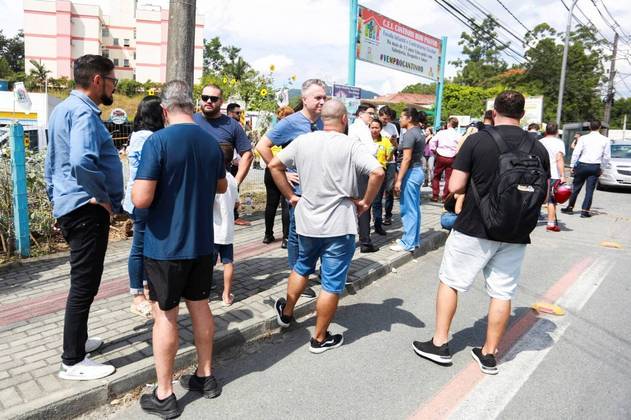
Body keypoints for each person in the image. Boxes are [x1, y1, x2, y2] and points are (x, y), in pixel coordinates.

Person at [412, 91, 550, 375]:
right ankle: (488, 354)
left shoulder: (478, 139)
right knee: (502, 292)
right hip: (515, 231)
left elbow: (456, 185)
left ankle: (440, 344)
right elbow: (544, 192)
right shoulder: (538, 148)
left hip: (475, 226)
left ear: (494, 110)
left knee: (451, 281)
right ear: (522, 115)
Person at [132, 80, 227, 417]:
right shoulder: (210, 142)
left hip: (165, 246)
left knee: (166, 317)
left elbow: (141, 198)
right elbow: (221, 185)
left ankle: (165, 393)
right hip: (202, 243)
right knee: (200, 307)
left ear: (164, 109)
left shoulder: (158, 141)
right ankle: (205, 375)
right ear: (192, 104)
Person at [268, 99, 384, 353]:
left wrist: (290, 195)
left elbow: (274, 165)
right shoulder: (351, 145)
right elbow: (377, 172)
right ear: (344, 120)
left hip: (307, 219)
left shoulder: (303, 141)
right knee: (331, 283)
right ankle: (319, 338)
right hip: (339, 224)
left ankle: (286, 313)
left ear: (322, 119)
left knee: (302, 266)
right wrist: (365, 202)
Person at [45, 54, 123, 380]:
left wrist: (56, 203)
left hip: (72, 205)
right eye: (112, 81)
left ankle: (79, 341)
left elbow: (52, 165)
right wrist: (104, 200)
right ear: (97, 81)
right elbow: (81, 161)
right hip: (86, 208)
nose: (114, 86)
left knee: (84, 283)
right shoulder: (83, 113)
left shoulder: (61, 109)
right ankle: (73, 361)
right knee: (84, 285)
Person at [256, 79, 327, 299]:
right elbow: (261, 146)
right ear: (304, 99)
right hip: (299, 191)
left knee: (320, 231)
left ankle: (318, 272)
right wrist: (282, 170)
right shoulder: (291, 122)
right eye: (317, 97)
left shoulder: (324, 123)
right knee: (297, 233)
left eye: (324, 97)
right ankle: (298, 279)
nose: (322, 101)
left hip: (321, 189)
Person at [123, 95, 164, 318]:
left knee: (147, 246)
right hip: (142, 200)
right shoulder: (145, 137)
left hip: (145, 199)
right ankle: (137, 295)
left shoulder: (142, 135)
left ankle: (147, 288)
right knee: (139, 247)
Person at [194, 85, 253, 226]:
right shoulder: (190, 120)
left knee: (221, 236)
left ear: (221, 101)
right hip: (192, 186)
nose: (208, 101)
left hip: (220, 188)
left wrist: (235, 183)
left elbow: (248, 155)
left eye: (213, 98)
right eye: (205, 98)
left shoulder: (232, 125)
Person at [390, 108, 426, 252]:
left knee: (408, 210)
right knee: (414, 209)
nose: (399, 119)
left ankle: (408, 243)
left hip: (410, 172)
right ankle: (413, 240)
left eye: (402, 117)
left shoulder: (410, 134)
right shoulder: (418, 131)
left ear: (409, 118)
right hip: (416, 171)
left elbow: (406, 158)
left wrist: (399, 180)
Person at [561, 120, 611, 218]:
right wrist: (602, 168)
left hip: (582, 165)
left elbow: (576, 152)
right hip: (595, 166)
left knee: (576, 187)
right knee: (589, 190)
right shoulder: (605, 140)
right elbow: (606, 157)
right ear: (600, 127)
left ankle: (570, 207)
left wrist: (572, 165)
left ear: (589, 127)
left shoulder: (583, 138)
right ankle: (585, 211)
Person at [349, 104, 380, 253]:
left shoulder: (352, 127)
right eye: (370, 113)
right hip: (361, 169)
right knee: (364, 204)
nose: (372, 117)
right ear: (361, 114)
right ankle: (365, 242)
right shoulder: (361, 128)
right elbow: (371, 149)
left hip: (350, 169)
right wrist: (377, 147)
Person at [214, 143, 240, 306]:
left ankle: (202, 291)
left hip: (212, 229)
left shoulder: (213, 179)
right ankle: (226, 294)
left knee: (207, 264)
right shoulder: (232, 180)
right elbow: (237, 203)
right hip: (228, 229)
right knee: (228, 262)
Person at [262, 106, 293, 246]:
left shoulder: (272, 131)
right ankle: (286, 238)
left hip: (269, 169)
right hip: (284, 169)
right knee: (286, 204)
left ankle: (268, 235)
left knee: (271, 204)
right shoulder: (290, 132)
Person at [369, 118, 395, 236]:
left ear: (380, 129)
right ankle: (363, 226)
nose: (374, 130)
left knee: (377, 200)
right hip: (366, 173)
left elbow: (389, 158)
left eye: (377, 128)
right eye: (372, 127)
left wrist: (391, 148)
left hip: (380, 173)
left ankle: (378, 225)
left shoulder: (385, 141)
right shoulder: (364, 140)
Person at [539, 122, 566, 231]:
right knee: (552, 200)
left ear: (546, 131)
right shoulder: (559, 143)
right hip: (553, 174)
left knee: (537, 197)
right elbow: (559, 159)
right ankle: (551, 224)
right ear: (556, 131)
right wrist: (562, 175)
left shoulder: (540, 142)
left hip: (540, 173)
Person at [430, 117, 460, 202]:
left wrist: (434, 150)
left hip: (441, 155)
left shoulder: (441, 133)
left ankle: (435, 195)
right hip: (452, 157)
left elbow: (432, 141)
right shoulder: (458, 135)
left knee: (436, 176)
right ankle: (445, 197)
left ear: (449, 124)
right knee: (448, 178)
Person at [378, 106, 399, 225]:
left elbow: (396, 144)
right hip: (377, 162)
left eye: (388, 119)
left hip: (390, 161)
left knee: (389, 189)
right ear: (379, 115)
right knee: (377, 191)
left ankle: (388, 215)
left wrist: (393, 143)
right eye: (384, 118)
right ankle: (376, 216)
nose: (386, 121)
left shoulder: (392, 127)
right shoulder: (375, 126)